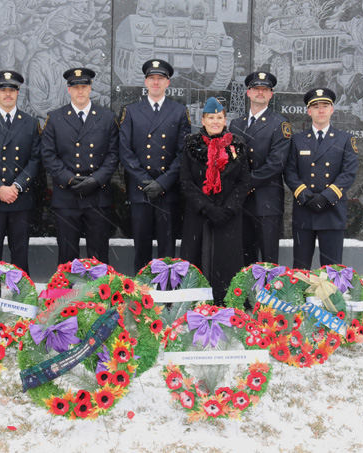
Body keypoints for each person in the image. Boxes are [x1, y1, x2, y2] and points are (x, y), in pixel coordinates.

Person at [41, 67, 119, 264]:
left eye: (84, 86)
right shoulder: (55, 117)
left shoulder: (107, 118)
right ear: (69, 89)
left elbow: (113, 155)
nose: (80, 91)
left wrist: (96, 180)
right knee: (67, 256)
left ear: (91, 88)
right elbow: (48, 155)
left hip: (97, 196)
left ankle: (99, 294)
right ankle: (68, 295)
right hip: (67, 195)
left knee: (98, 256)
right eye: (76, 87)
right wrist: (68, 178)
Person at [119, 59, 191, 273]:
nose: (156, 82)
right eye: (152, 78)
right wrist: (144, 181)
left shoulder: (179, 111)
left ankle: (166, 292)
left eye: (160, 78)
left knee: (167, 249)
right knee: (141, 246)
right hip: (140, 191)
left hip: (166, 191)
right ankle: (140, 293)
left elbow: (182, 152)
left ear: (168, 83)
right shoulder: (131, 111)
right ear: (145, 82)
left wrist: (163, 183)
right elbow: (125, 150)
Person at [180, 97, 250, 305]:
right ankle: (196, 303)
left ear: (225, 119)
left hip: (228, 217)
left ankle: (226, 303)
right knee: (197, 261)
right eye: (211, 117)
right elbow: (186, 182)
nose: (215, 122)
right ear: (202, 120)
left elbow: (243, 182)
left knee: (226, 264)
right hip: (199, 215)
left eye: (219, 117)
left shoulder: (237, 146)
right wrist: (207, 208)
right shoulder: (191, 145)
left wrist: (227, 209)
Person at [0, 70, 41, 273]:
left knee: (20, 255)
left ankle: (22, 301)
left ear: (18, 92)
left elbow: (35, 159)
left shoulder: (31, 123)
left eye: (12, 90)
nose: (8, 94)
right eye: (3, 90)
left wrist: (17, 186)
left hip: (20, 200)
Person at [284, 87, 358, 270]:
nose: (321, 110)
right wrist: (305, 196)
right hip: (304, 209)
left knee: (331, 269)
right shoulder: (297, 140)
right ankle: (299, 298)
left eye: (325, 105)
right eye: (316, 106)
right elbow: (290, 172)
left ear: (332, 109)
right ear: (309, 111)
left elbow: (348, 173)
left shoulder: (345, 139)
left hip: (332, 210)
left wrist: (325, 197)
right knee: (300, 268)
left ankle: (329, 299)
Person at [230, 71, 291, 266]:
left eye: (265, 90)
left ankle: (269, 294)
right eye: (256, 89)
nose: (260, 92)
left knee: (268, 258)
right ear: (248, 93)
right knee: (244, 256)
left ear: (271, 95)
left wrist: (246, 182)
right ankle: (246, 295)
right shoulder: (236, 124)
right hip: (242, 201)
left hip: (267, 201)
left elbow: (276, 163)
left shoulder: (280, 124)